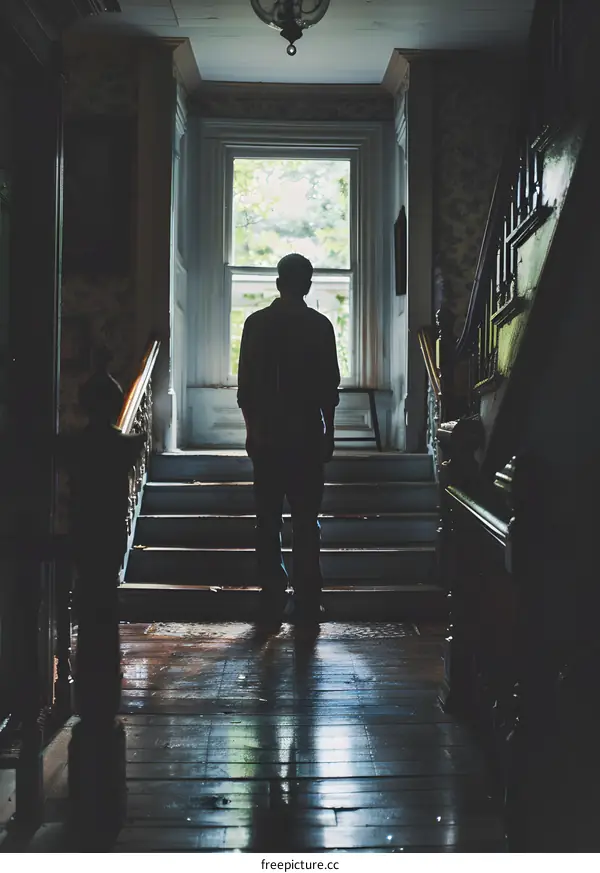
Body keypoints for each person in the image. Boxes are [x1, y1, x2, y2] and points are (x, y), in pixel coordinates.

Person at [237, 253, 341, 623]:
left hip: (268, 435)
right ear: (307, 285)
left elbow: (246, 389)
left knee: (267, 520)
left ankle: (272, 594)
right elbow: (329, 389)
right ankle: (308, 598)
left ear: (279, 282)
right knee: (306, 521)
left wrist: (251, 431)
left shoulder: (256, 324)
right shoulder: (320, 326)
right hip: (306, 436)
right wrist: (329, 432)